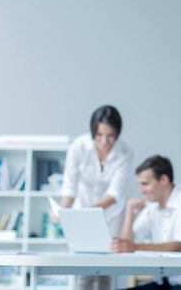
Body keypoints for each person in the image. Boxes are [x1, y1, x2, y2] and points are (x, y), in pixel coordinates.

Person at [111, 155, 181, 290]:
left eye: (145, 184)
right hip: (165, 282)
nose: (142, 191)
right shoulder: (153, 206)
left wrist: (135, 247)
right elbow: (125, 245)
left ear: (163, 180)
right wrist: (130, 215)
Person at [61, 105, 134, 290]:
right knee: (84, 267)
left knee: (105, 269)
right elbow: (70, 185)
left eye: (110, 136)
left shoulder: (125, 152)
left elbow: (115, 193)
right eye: (99, 135)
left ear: (117, 133)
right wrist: (64, 212)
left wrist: (89, 211)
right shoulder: (79, 146)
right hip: (84, 208)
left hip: (111, 214)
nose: (104, 141)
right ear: (93, 131)